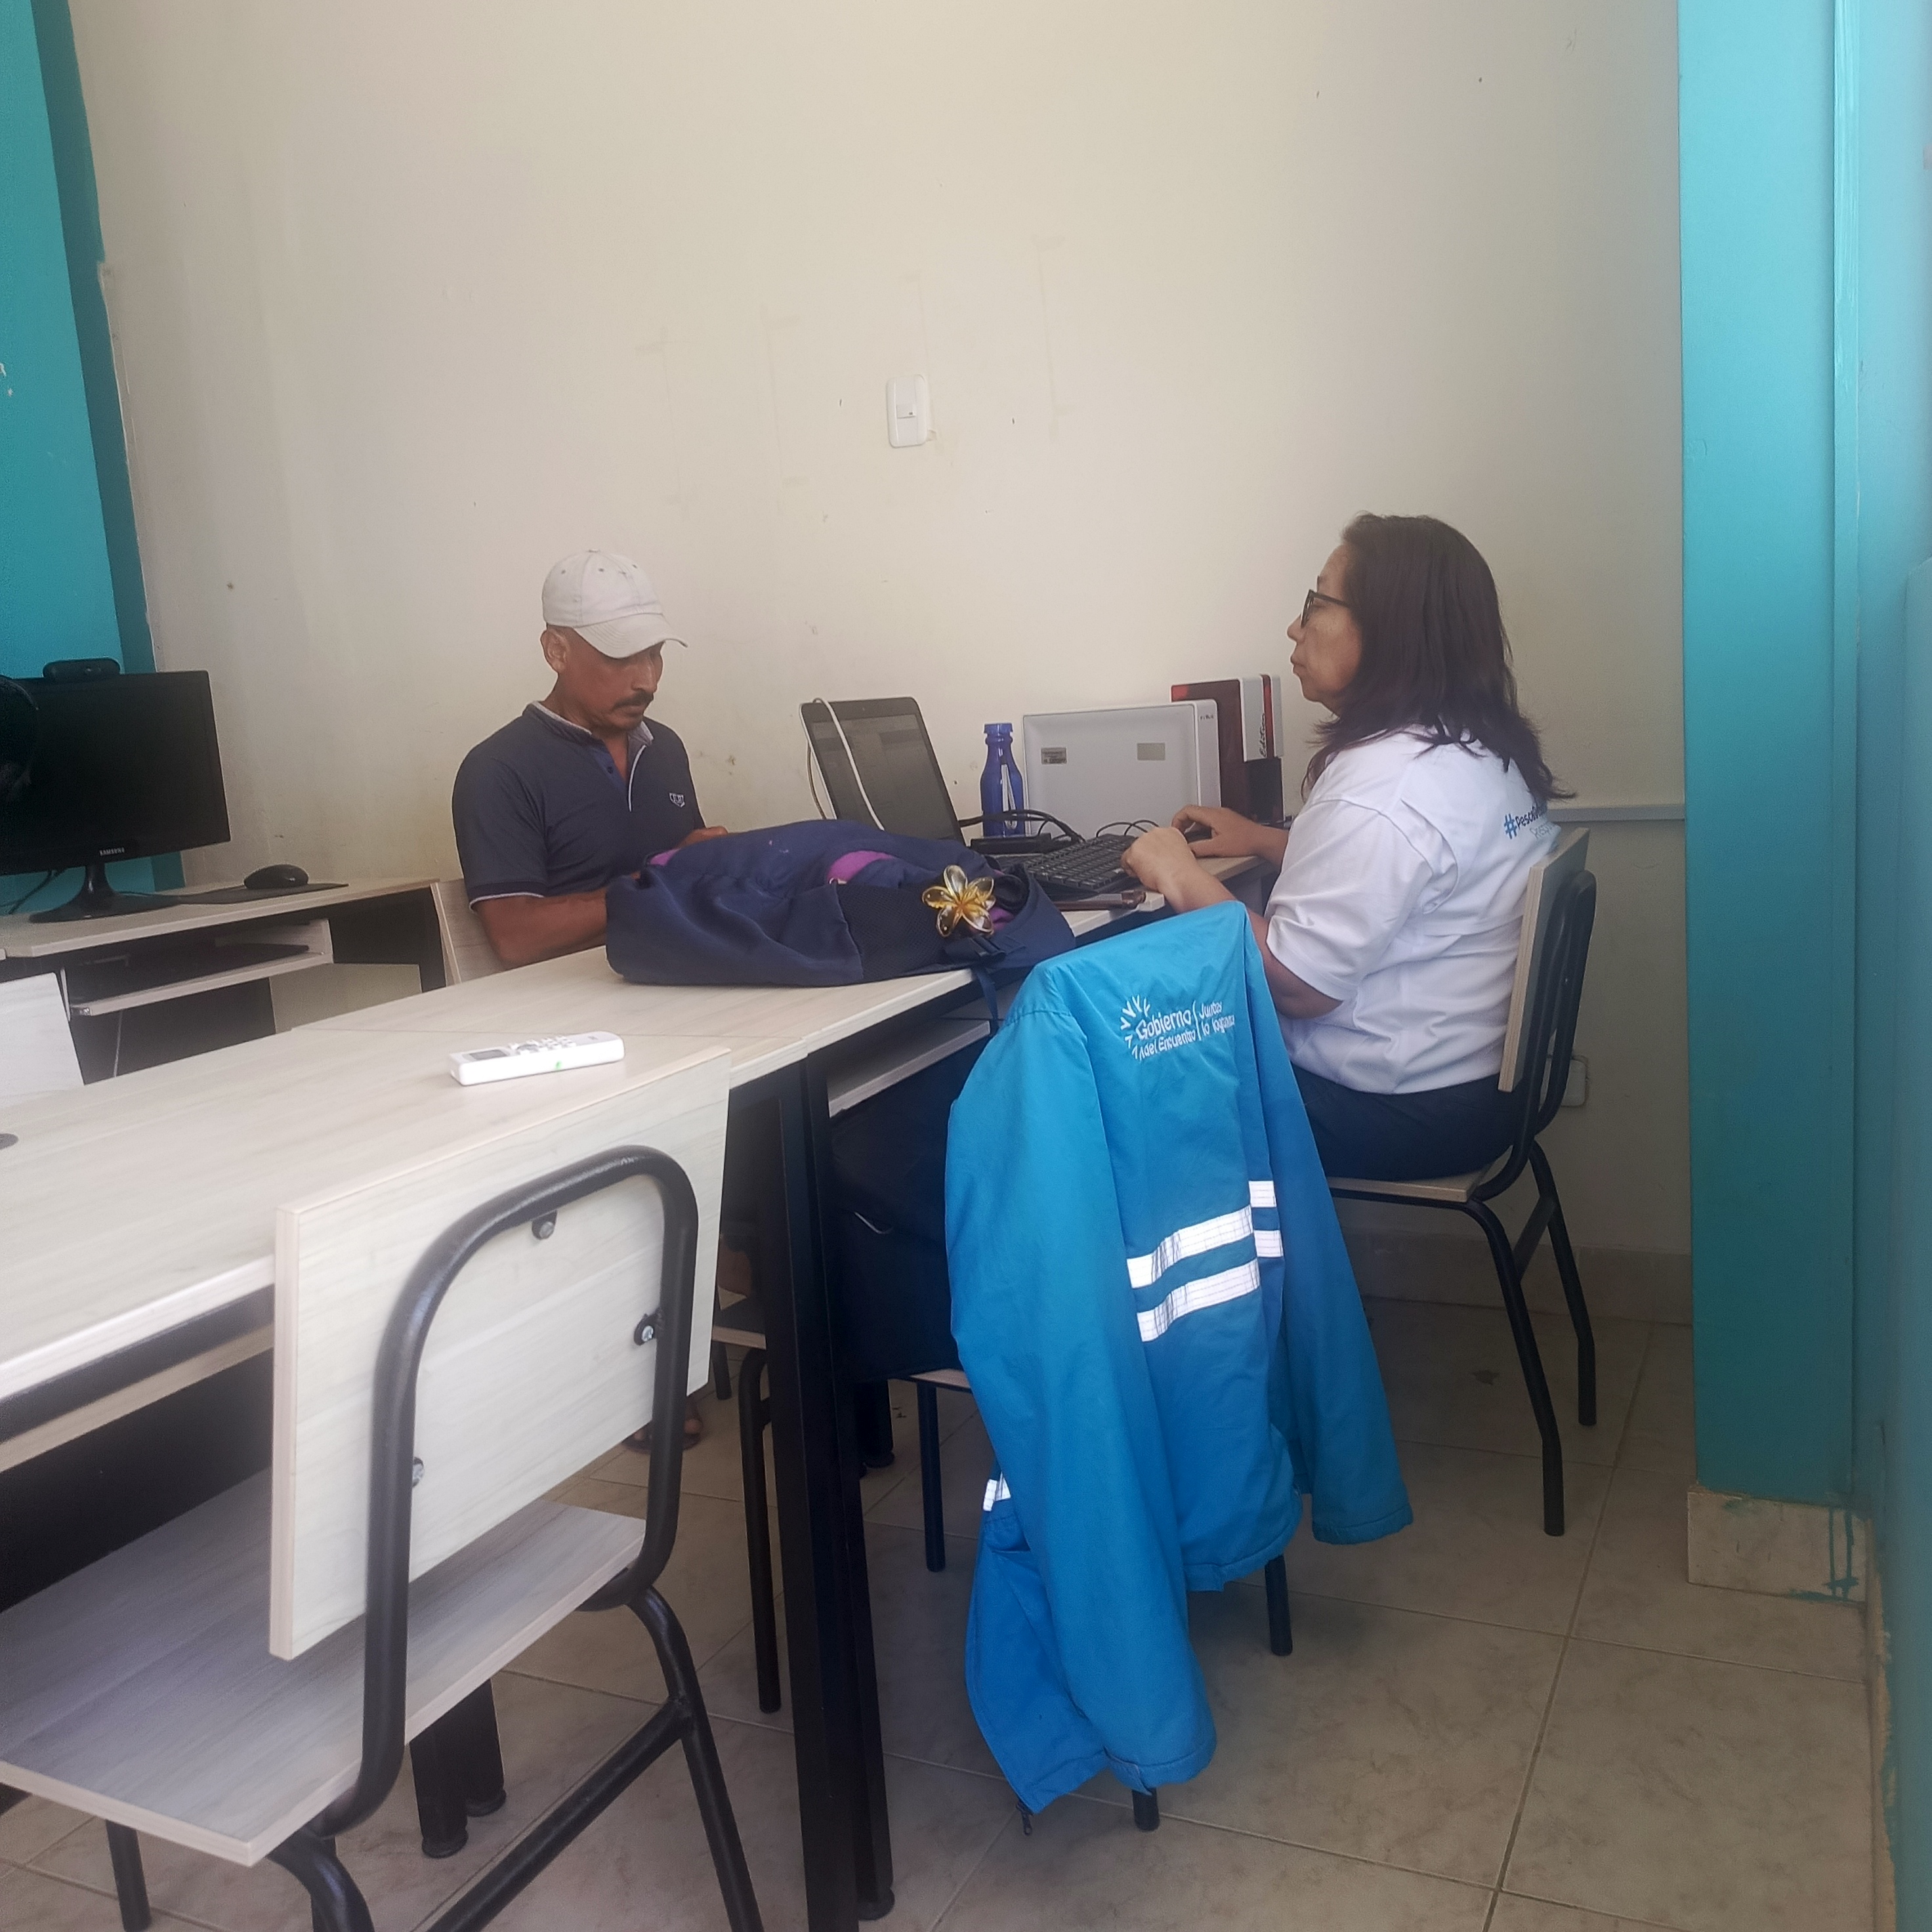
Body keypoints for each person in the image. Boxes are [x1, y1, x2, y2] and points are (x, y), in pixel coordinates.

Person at [1124, 513, 1565, 1181]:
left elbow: (1299, 985)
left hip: (1394, 1110)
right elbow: (1415, 877)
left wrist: (1176, 872)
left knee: (1127, 1072)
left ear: (1389, 629)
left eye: (1316, 603)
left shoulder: (1383, 786)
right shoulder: (1478, 753)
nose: (1294, 628)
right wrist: (1266, 841)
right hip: (1475, 1090)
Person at [452, 549, 726, 970]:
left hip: (674, 978)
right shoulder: (499, 770)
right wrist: (665, 875)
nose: (648, 681)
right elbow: (516, 938)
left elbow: (693, 881)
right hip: (567, 1001)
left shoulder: (665, 748)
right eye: (621, 657)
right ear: (556, 652)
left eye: (654, 654)